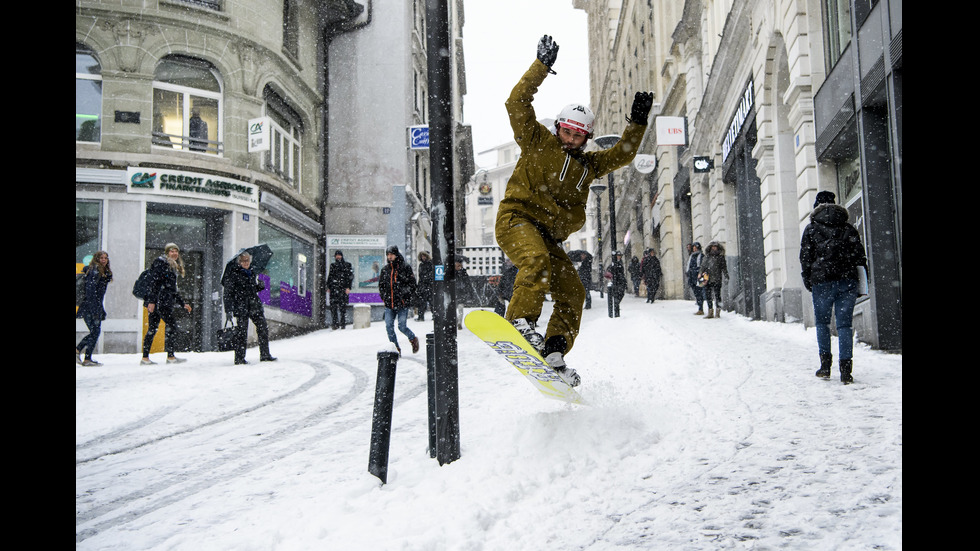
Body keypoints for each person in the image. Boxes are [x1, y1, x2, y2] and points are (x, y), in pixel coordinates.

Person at [494, 34, 651, 387]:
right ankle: (520, 321)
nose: (571, 140)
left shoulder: (589, 167)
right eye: (567, 132)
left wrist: (637, 123)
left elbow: (623, 154)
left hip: (549, 237)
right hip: (517, 219)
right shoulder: (537, 141)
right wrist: (541, 67)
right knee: (533, 261)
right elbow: (516, 102)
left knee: (572, 291)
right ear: (558, 128)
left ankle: (554, 348)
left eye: (579, 136)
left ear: (587, 137)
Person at [800, 190, 868, 384]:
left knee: (822, 324)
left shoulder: (811, 229)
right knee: (844, 324)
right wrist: (861, 280)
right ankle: (846, 370)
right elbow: (859, 256)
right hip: (847, 281)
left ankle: (825, 366)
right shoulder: (848, 228)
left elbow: (805, 257)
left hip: (821, 281)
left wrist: (808, 278)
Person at [141, 243, 192, 365]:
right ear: (167, 253)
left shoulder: (171, 266)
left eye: (176, 251)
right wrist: (152, 301)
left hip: (162, 301)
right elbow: (155, 283)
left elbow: (172, 289)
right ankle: (170, 356)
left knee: (153, 328)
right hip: (161, 301)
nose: (174, 253)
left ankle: (145, 358)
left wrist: (182, 303)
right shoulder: (162, 263)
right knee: (171, 327)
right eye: (171, 251)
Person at [222, 251, 276, 365]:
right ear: (239, 262)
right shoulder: (233, 274)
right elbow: (227, 293)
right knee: (242, 332)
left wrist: (259, 287)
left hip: (254, 305)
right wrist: (228, 310)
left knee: (263, 328)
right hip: (241, 306)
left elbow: (251, 289)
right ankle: (239, 358)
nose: (246, 263)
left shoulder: (252, 272)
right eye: (243, 261)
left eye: (247, 260)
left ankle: (265, 354)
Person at [379, 245, 420, 354]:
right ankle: (396, 348)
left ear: (396, 254)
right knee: (389, 327)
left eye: (391, 254)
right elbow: (381, 286)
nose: (389, 257)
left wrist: (405, 294)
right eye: (388, 255)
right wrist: (384, 297)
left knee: (402, 326)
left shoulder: (405, 267)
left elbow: (412, 285)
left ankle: (412, 338)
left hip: (402, 303)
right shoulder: (385, 270)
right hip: (389, 303)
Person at [76, 251, 112, 366]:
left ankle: (85, 356)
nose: (104, 260)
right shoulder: (94, 271)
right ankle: (83, 354)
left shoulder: (101, 272)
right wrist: (95, 309)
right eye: (101, 258)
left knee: (94, 332)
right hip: (90, 307)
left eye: (106, 258)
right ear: (96, 259)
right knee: (95, 331)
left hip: (93, 306)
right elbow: (91, 292)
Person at [699, 241, 729, 319]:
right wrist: (700, 273)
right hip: (706, 278)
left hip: (717, 278)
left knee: (717, 295)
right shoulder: (707, 256)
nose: (714, 248)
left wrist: (726, 276)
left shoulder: (720, 257)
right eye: (713, 247)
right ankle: (710, 311)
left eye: (715, 247)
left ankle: (718, 312)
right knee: (708, 295)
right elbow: (703, 266)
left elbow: (724, 268)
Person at [327, 250, 354, 330]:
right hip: (334, 289)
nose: (338, 257)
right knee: (333, 308)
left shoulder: (347, 265)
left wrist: (348, 287)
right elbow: (330, 276)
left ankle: (343, 323)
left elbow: (350, 277)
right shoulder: (333, 265)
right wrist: (328, 286)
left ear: (342, 256)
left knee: (342, 308)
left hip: (343, 289)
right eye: (336, 255)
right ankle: (335, 323)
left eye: (339, 255)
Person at [686, 242, 706, 315]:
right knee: (696, 293)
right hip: (692, 277)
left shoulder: (701, 256)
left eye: (696, 247)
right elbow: (689, 266)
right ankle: (700, 306)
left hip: (699, 277)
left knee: (700, 292)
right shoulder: (691, 256)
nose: (694, 249)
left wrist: (699, 273)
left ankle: (701, 308)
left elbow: (703, 267)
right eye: (693, 247)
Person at [607, 250, 628, 316]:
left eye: (620, 256)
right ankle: (616, 306)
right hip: (617, 281)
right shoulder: (613, 264)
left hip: (621, 280)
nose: (619, 257)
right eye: (618, 256)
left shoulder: (620, 263)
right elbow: (609, 271)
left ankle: (616, 304)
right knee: (618, 293)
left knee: (621, 293)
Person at [416, 251, 434, 321]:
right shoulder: (421, 265)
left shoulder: (430, 264)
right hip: (423, 285)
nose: (423, 257)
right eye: (422, 256)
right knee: (422, 302)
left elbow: (430, 275)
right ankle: (421, 316)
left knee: (431, 302)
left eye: (424, 256)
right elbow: (420, 276)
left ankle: (434, 315)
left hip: (429, 285)